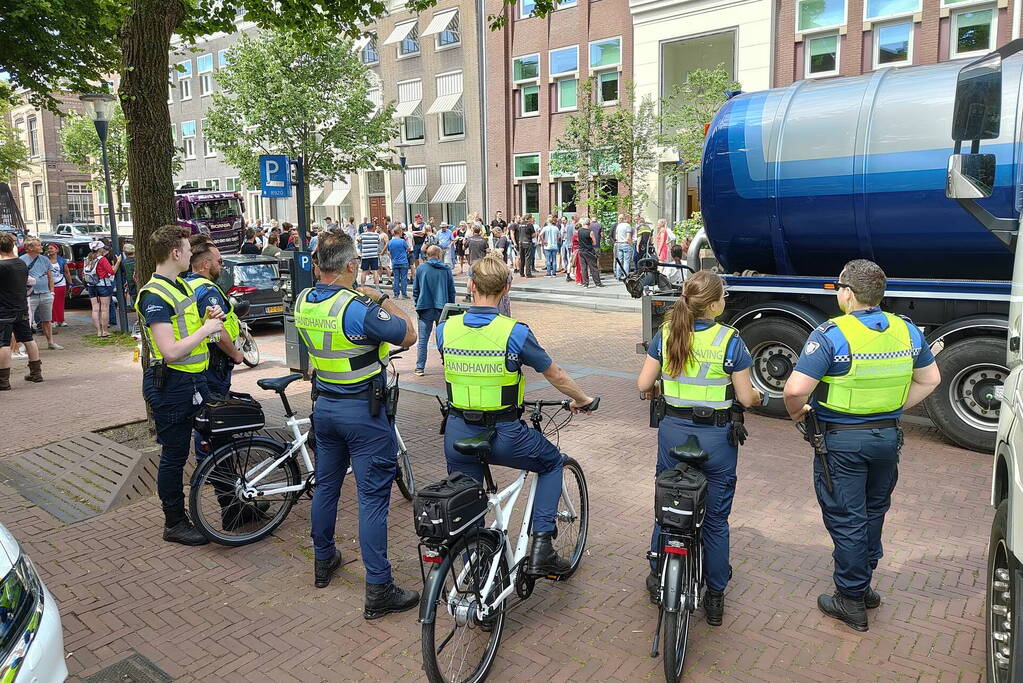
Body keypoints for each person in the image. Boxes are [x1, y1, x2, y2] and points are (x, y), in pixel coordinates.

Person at [783, 259, 940, 632]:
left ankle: (851, 599)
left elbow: (794, 389)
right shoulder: (906, 330)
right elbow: (930, 379)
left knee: (846, 517)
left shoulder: (831, 333)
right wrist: (890, 406)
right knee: (873, 511)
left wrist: (797, 414)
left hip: (842, 441)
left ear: (848, 293)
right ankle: (864, 585)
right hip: (887, 437)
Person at [438, 256, 595, 576]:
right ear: (507, 288)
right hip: (504, 436)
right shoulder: (515, 333)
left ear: (470, 285)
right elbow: (556, 374)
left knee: (468, 502)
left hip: (457, 432)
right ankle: (541, 548)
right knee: (552, 462)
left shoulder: (445, 330)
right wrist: (583, 399)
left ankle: (476, 571)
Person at [294, 232, 420, 617]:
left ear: (319, 265)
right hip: (364, 414)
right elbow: (410, 333)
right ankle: (378, 588)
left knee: (327, 487)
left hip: (325, 407)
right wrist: (381, 297)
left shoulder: (303, 300)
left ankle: (323, 560)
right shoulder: (358, 307)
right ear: (351, 265)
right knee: (372, 499)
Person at [636, 270, 761, 625]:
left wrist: (658, 391)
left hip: (673, 433)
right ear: (716, 304)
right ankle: (716, 595)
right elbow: (746, 398)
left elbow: (644, 383)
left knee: (669, 503)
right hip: (715, 439)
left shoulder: (668, 332)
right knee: (716, 520)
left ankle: (659, 572)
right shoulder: (730, 341)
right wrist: (759, 396)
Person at [136, 225, 227, 545]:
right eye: (188, 250)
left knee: (219, 440)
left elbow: (193, 332)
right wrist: (206, 330)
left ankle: (231, 507)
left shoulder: (180, 288)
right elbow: (170, 350)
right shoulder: (154, 295)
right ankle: (174, 522)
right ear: (175, 253)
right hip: (173, 385)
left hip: (194, 381)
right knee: (174, 456)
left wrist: (209, 322)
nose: (192, 254)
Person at [0, 233, 43, 389]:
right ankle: (36, 373)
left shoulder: (2, 266)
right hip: (21, 306)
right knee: (28, 339)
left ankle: (3, 380)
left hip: (4, 309)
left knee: (3, 343)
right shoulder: (21, 264)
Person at [412, 245, 456, 376]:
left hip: (424, 307)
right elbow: (451, 290)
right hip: (442, 307)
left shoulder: (421, 268)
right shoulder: (446, 269)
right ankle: (447, 363)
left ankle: (420, 367)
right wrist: (451, 308)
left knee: (423, 340)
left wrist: (417, 303)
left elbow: (416, 289)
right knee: (443, 338)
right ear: (438, 254)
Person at [20, 239, 60, 350]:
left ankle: (50, 342)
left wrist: (52, 291)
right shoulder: (21, 260)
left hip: (45, 293)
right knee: (27, 321)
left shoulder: (45, 259)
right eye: (38, 245)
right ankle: (24, 345)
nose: (41, 247)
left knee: (47, 319)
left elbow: (50, 277)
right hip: (29, 295)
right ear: (30, 248)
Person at [47, 244, 72, 329]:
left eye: (51, 248)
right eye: (48, 249)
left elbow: (67, 273)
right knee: (51, 303)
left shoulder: (62, 260)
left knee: (60, 303)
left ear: (57, 250)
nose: (49, 250)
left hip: (61, 284)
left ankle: (61, 320)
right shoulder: (45, 260)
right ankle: (53, 320)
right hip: (49, 285)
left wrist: (70, 283)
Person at [576, 218, 602, 288]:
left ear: (583, 224)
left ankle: (585, 284)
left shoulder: (579, 231)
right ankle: (598, 283)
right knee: (593, 268)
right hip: (589, 251)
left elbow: (578, 240)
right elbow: (594, 242)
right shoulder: (590, 232)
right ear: (589, 224)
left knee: (583, 268)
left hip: (581, 251)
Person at [387, 226, 411, 299]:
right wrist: (406, 240)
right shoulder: (402, 241)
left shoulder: (390, 242)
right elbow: (409, 249)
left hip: (395, 262)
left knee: (396, 278)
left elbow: (388, 251)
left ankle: (396, 295)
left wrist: (392, 258)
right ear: (400, 232)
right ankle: (404, 294)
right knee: (404, 278)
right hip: (403, 261)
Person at [613, 214, 634, 280]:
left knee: (619, 261)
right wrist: (631, 245)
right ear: (626, 218)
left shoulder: (618, 226)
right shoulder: (628, 226)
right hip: (626, 244)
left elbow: (616, 237)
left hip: (619, 244)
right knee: (626, 261)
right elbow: (628, 237)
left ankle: (618, 276)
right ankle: (625, 275)